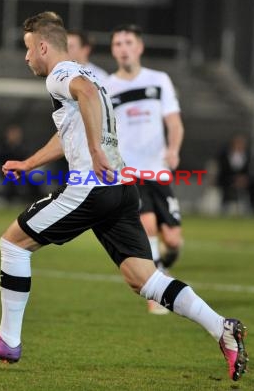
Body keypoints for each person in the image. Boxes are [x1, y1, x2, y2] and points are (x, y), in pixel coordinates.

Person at [0, 11, 248, 382]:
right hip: (122, 188)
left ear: (44, 46)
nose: (26, 57)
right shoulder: (91, 72)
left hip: (90, 187)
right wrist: (31, 161)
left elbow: (86, 94)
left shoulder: (62, 74)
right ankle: (221, 327)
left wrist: (95, 150)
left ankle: (8, 339)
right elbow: (73, 124)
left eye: (28, 49)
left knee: (13, 244)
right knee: (144, 279)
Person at [104, 24, 185, 315]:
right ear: (113, 50)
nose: (123, 48)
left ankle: (164, 263)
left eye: (128, 42)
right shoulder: (107, 87)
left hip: (158, 170)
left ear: (139, 47)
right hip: (129, 171)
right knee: (147, 225)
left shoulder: (159, 80)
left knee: (173, 239)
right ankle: (157, 292)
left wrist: (173, 149)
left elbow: (174, 122)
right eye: (117, 43)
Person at [216, 134, 251, 215]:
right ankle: (224, 207)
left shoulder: (247, 156)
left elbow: (248, 170)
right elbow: (223, 169)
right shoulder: (224, 155)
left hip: (242, 181)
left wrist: (242, 178)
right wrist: (234, 178)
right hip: (227, 179)